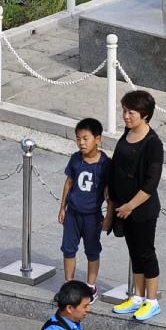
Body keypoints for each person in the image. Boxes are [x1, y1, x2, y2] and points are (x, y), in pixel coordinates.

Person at [109, 90, 164, 322]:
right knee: (134, 252)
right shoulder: (127, 133)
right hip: (123, 207)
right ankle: (138, 296)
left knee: (146, 252)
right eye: (125, 111)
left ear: (145, 116)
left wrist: (131, 205)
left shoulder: (153, 143)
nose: (126, 116)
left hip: (141, 209)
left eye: (131, 112)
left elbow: (151, 183)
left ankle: (152, 300)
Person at [58, 118, 112, 296]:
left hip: (92, 216)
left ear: (98, 139)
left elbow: (109, 192)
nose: (81, 143)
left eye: (85, 138)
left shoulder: (105, 164)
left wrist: (109, 216)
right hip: (73, 214)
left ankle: (91, 286)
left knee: (92, 250)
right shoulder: (75, 159)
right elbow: (69, 182)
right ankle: (69, 285)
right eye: (78, 138)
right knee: (68, 249)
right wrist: (62, 208)